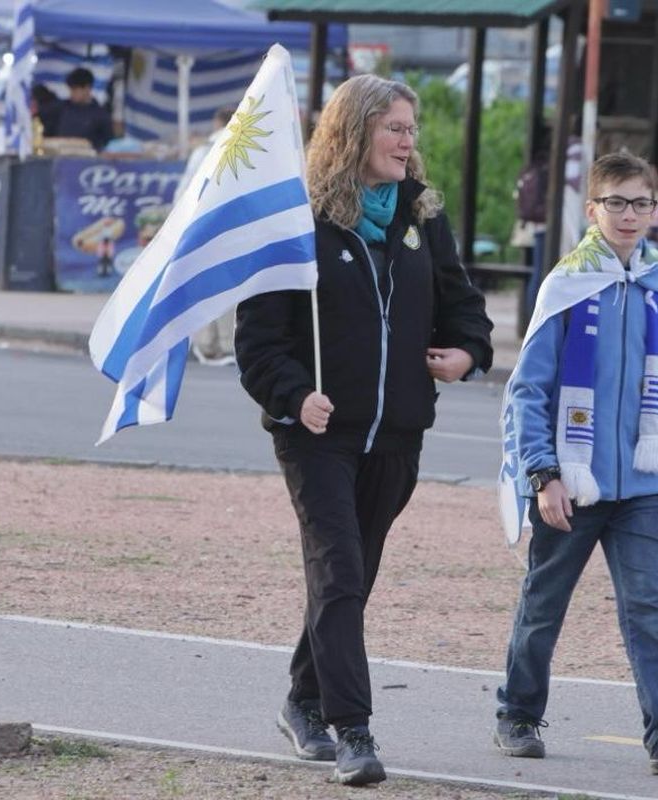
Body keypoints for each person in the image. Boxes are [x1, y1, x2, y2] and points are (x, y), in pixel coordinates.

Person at [234, 74, 493, 786]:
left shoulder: (420, 214)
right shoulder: (301, 221)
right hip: (317, 435)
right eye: (395, 129)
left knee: (347, 580)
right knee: (341, 571)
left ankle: (301, 700)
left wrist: (467, 352)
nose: (409, 143)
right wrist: (295, 395)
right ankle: (354, 731)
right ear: (354, 133)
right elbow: (258, 342)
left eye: (412, 130)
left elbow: (463, 303)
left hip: (398, 435)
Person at [495, 152, 658, 776]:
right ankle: (516, 712)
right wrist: (542, 473)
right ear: (592, 209)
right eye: (616, 202)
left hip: (642, 484)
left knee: (648, 603)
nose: (629, 214)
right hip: (572, 479)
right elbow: (527, 391)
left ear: (655, 209)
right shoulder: (568, 285)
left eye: (640, 202)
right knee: (545, 601)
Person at [179, 107, 237, 365]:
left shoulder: (204, 149)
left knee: (204, 283)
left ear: (217, 122)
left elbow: (186, 188)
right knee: (228, 285)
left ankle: (206, 341)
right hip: (231, 223)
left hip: (201, 223)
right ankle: (227, 342)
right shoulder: (247, 145)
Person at [49, 67, 112, 151]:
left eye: (75, 90)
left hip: (88, 161)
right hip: (61, 157)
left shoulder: (100, 115)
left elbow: (107, 143)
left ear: (87, 88)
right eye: (71, 90)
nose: (71, 93)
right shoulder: (61, 108)